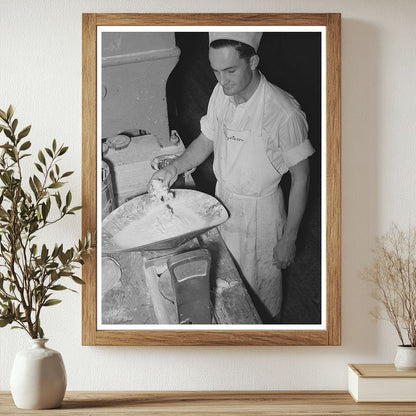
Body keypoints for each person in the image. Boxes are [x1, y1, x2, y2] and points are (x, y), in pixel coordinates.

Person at [149, 32, 315, 323]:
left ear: (253, 61)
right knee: (225, 284)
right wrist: (173, 168)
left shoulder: (283, 113)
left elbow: (301, 179)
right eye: (215, 71)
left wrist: (289, 238)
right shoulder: (221, 94)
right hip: (223, 201)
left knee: (261, 297)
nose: (222, 80)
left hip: (260, 215)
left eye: (230, 71)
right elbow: (205, 141)